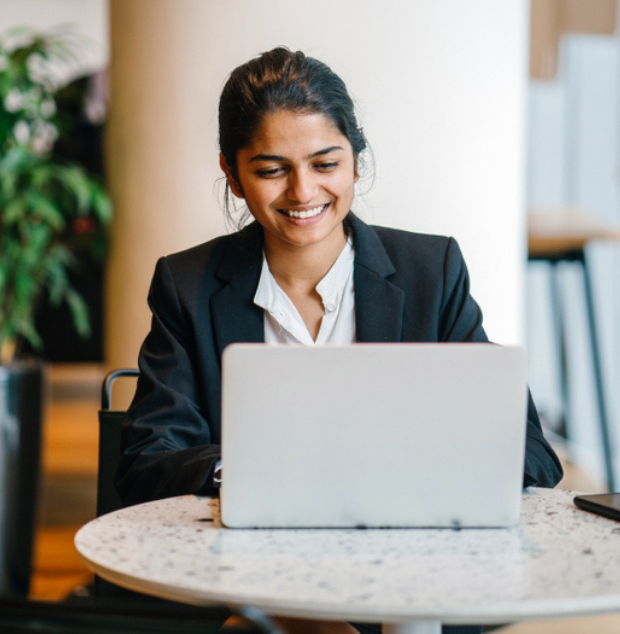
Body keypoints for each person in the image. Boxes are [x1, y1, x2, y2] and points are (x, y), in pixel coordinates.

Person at [115, 45, 562, 508]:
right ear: (232, 173)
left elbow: (533, 456)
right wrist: (254, 471)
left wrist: (422, 466)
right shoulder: (187, 285)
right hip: (246, 560)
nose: (303, 191)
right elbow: (147, 463)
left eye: (325, 164)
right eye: (271, 170)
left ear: (356, 159)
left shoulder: (431, 271)